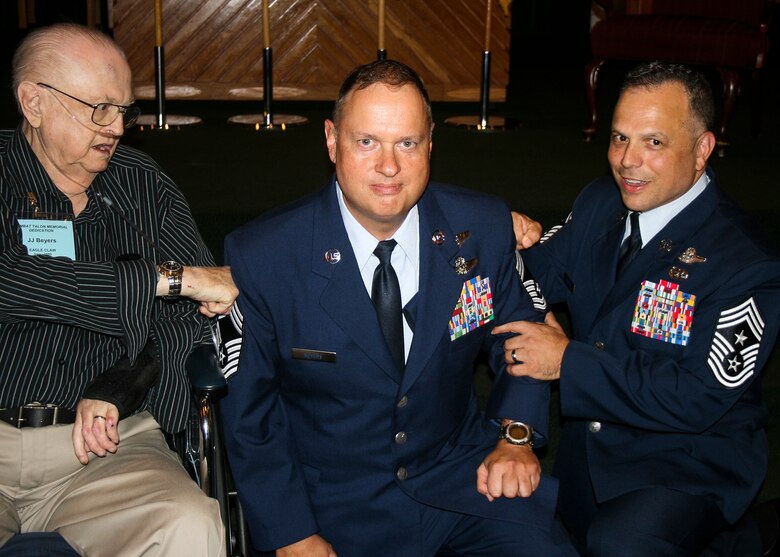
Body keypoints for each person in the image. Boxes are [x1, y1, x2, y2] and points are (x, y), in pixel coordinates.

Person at [221, 59, 577, 557]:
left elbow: (524, 339)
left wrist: (516, 435)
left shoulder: (481, 227)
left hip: (464, 481)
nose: (389, 167)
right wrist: (292, 533)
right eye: (366, 142)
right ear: (331, 140)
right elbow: (249, 416)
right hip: (336, 507)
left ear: (430, 143)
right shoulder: (267, 255)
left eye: (406, 143)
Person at [498, 61, 780, 556]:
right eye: (619, 137)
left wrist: (567, 360)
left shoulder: (747, 263)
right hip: (593, 447)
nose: (628, 161)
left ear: (702, 150)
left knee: (618, 544)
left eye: (653, 142)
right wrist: (501, 235)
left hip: (690, 459)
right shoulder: (599, 205)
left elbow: (698, 397)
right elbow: (530, 274)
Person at [0, 23, 238, 556]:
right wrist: (157, 279)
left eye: (124, 110)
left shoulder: (140, 183)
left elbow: (194, 315)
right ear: (33, 102)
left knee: (191, 523)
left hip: (107, 449)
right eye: (99, 108)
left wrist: (123, 383)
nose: (116, 128)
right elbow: (12, 281)